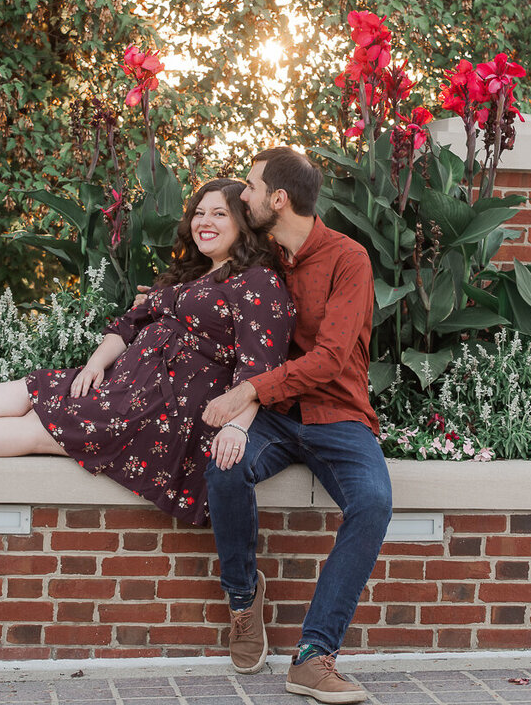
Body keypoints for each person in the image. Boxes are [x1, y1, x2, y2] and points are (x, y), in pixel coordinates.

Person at [0, 179, 296, 527]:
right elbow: (127, 325)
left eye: (219, 213)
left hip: (168, 411)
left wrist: (236, 429)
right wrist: (94, 364)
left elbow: (259, 368)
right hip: (130, 385)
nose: (205, 221)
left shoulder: (258, 282)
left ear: (243, 222)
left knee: (39, 429)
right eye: (199, 212)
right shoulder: (192, 276)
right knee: (34, 388)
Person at [201, 147, 391, 704]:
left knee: (373, 501)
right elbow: (212, 295)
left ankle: (314, 656)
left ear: (279, 199)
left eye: (253, 188)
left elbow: (331, 358)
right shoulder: (263, 258)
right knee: (224, 466)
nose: (243, 197)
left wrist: (248, 390)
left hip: (338, 415)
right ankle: (243, 601)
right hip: (279, 420)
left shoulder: (348, 259)